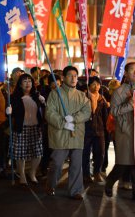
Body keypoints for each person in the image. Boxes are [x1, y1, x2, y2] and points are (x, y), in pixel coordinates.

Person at [104, 62, 135, 203]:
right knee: (123, 164)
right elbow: (114, 112)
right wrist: (131, 104)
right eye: (132, 70)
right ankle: (110, 181)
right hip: (125, 131)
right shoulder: (119, 92)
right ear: (125, 73)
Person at [45, 66, 91, 200]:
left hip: (76, 134)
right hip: (60, 134)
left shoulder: (82, 95)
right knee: (57, 163)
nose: (73, 78)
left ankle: (75, 190)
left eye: (75, 76)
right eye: (70, 75)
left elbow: (87, 112)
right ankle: (50, 184)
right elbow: (49, 113)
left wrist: (74, 119)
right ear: (63, 78)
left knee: (77, 164)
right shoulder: (55, 94)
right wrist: (62, 122)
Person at [8, 74, 45, 185]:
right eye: (25, 81)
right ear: (20, 84)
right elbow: (11, 114)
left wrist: (43, 102)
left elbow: (44, 111)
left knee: (38, 153)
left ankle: (32, 173)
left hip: (35, 128)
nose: (28, 83)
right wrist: (9, 111)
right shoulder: (14, 97)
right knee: (20, 154)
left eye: (30, 81)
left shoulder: (37, 96)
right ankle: (22, 175)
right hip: (21, 128)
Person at [82, 76, 108, 184]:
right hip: (86, 129)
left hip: (99, 129)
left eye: (98, 84)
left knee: (100, 152)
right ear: (89, 85)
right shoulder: (84, 97)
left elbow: (105, 115)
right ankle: (86, 175)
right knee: (85, 153)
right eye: (93, 84)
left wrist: (106, 129)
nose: (96, 86)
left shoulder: (101, 98)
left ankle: (97, 172)